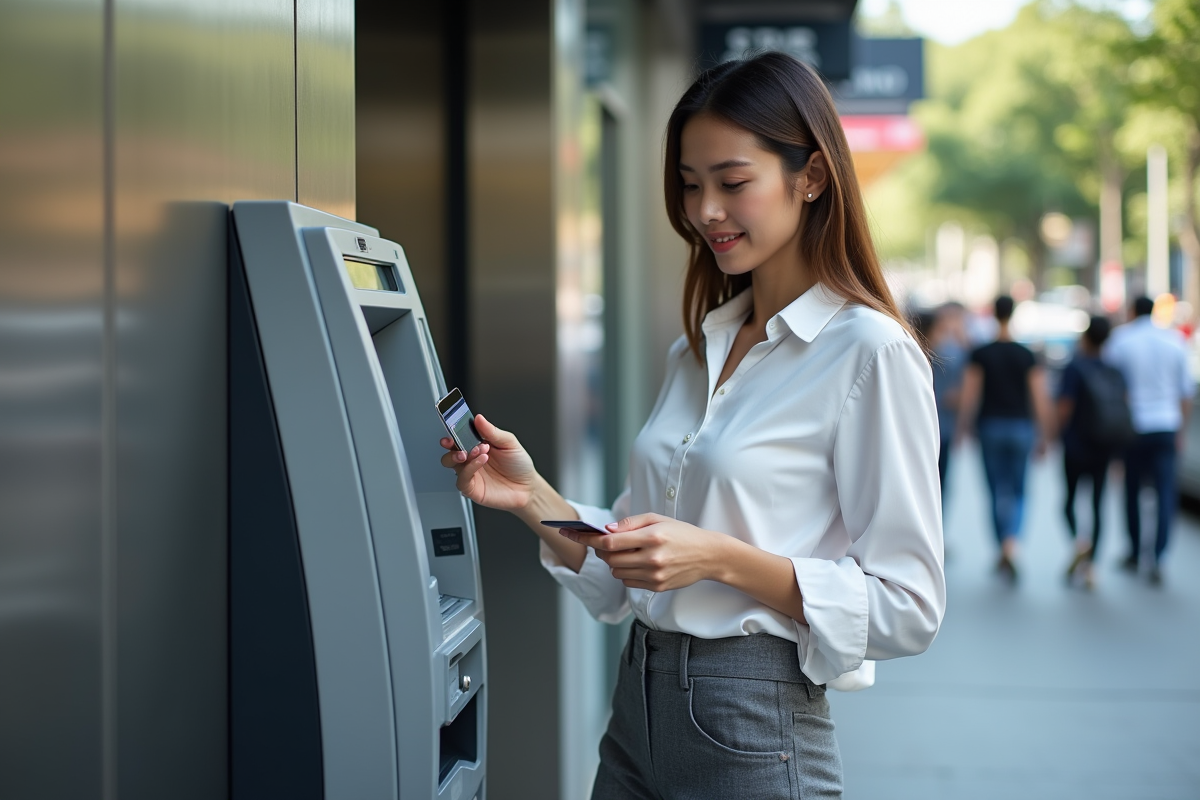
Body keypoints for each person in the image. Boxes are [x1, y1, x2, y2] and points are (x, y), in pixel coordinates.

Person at [439, 53, 945, 799]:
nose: (705, 209)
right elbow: (632, 564)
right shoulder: (700, 345)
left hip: (751, 719)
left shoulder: (868, 353)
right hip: (638, 702)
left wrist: (720, 559)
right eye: (688, 184)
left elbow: (909, 607)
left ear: (809, 178)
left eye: (732, 182)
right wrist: (532, 497)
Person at [957, 295, 1054, 583]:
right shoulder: (1027, 354)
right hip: (1022, 428)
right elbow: (1040, 398)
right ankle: (1012, 543)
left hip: (989, 427)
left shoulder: (981, 353)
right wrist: (1045, 434)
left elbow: (970, 395)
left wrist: (963, 428)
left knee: (994, 490)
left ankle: (1002, 545)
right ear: (1013, 314)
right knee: (1020, 490)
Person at [1104, 295, 1194, 585]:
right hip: (1166, 425)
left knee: (1131, 489)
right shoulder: (1174, 341)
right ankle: (1159, 555)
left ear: (1131, 311)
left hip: (1134, 426)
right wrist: (1180, 428)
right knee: (1165, 493)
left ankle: (1133, 551)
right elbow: (1186, 393)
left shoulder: (1121, 340)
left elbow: (1110, 387)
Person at [1056, 316, 1128, 589]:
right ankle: (1091, 567)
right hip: (1104, 446)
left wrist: (1053, 435)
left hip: (1076, 445)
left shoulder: (1075, 368)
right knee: (1098, 504)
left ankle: (1079, 543)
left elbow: (1064, 407)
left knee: (1069, 501)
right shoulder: (1115, 370)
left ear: (1086, 337)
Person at [929, 302, 969, 503]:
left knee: (941, 478)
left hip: (946, 425)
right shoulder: (931, 346)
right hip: (932, 422)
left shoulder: (962, 349)